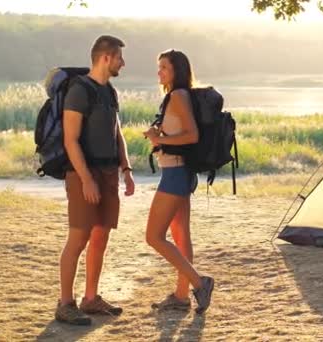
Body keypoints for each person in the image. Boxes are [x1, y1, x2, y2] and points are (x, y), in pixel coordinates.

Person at [55, 35, 135, 326]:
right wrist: (87, 179)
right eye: (119, 58)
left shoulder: (110, 92)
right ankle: (65, 303)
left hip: (109, 173)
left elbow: (117, 133)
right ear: (105, 58)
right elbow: (70, 140)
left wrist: (126, 169)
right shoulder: (79, 91)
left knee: (101, 235)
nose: (123, 63)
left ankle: (90, 299)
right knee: (78, 238)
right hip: (82, 174)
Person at [143, 49, 214, 314]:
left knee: (153, 236)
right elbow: (182, 132)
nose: (159, 72)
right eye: (159, 66)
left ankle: (199, 283)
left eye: (164, 68)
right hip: (180, 172)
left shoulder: (178, 96)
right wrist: (159, 134)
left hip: (175, 174)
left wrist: (159, 139)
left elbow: (192, 135)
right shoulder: (177, 96)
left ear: (177, 71)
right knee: (181, 236)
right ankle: (182, 296)